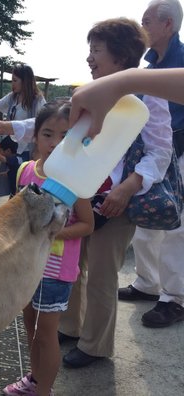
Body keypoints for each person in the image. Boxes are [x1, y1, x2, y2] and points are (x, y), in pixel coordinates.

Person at [0, 17, 174, 369]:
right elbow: (56, 125)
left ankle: (95, 345)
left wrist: (127, 188)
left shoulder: (147, 97)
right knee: (71, 264)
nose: (89, 58)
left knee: (102, 274)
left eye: (96, 50)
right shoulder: (93, 89)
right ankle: (69, 326)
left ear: (120, 57)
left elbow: (160, 152)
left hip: (117, 200)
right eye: (90, 50)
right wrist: (4, 126)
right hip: (78, 193)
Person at [2, 100, 94, 396]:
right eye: (48, 134)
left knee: (46, 334)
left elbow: (88, 225)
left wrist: (53, 233)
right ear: (36, 136)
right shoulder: (26, 171)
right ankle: (35, 380)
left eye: (65, 136)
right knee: (30, 327)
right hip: (28, 266)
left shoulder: (74, 178)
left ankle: (44, 391)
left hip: (56, 271)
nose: (56, 143)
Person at [117, 0, 184, 328]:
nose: (141, 26)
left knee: (177, 226)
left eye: (147, 21)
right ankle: (147, 282)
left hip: (181, 151)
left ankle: (174, 298)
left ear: (168, 25)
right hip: (154, 153)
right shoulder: (149, 68)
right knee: (147, 216)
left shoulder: (181, 62)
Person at [0, 63, 46, 160]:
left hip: (27, 149)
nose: (12, 83)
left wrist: (37, 152)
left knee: (22, 174)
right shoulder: (12, 97)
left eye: (15, 80)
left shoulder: (37, 100)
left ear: (25, 81)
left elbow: (44, 123)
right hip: (10, 148)